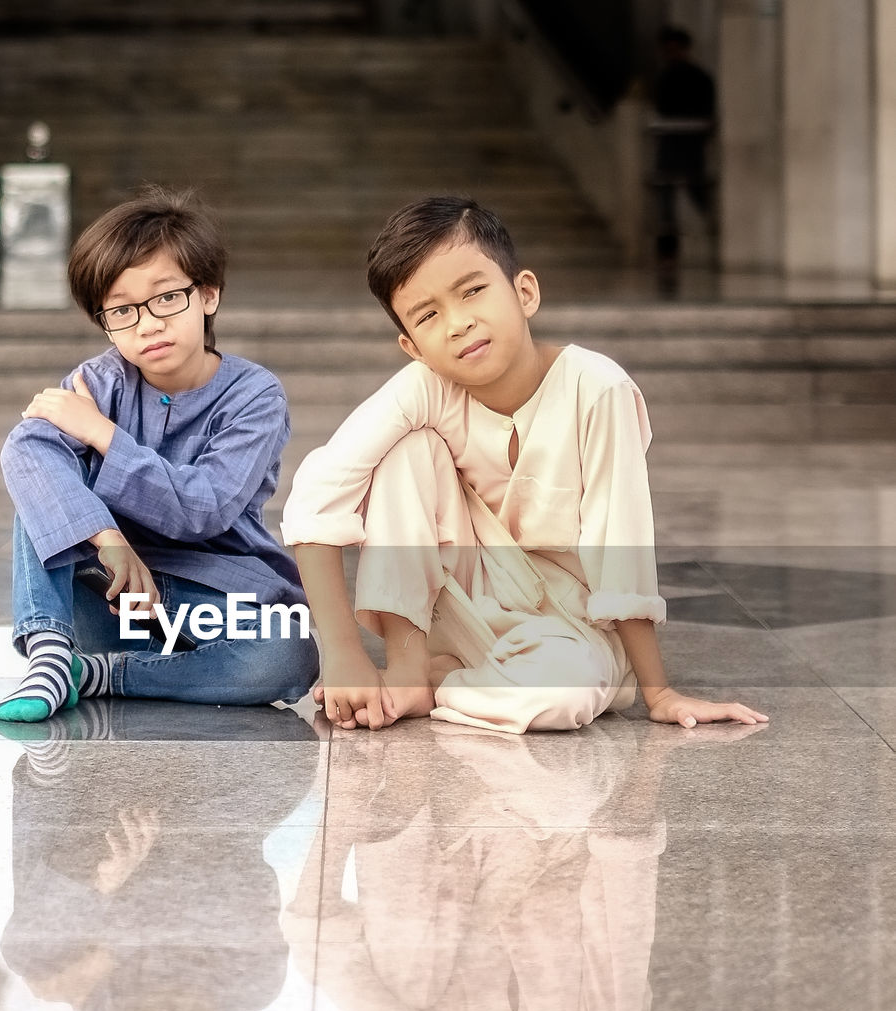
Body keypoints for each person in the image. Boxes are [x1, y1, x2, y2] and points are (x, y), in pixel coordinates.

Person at [280, 195, 769, 733]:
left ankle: (436, 686)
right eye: (429, 315)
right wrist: (343, 654)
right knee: (405, 451)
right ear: (412, 345)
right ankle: (408, 667)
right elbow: (316, 495)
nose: (460, 323)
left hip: (571, 630)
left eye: (472, 291)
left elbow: (619, 543)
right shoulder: (425, 388)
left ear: (524, 292)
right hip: (460, 608)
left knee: (560, 699)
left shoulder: (596, 388)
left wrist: (660, 693)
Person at [0, 186, 318, 723]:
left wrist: (104, 435)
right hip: (111, 594)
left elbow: (203, 509)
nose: (147, 324)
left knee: (287, 657)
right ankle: (50, 652)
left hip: (213, 594)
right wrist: (109, 540)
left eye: (166, 298)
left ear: (208, 295)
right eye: (121, 310)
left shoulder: (255, 396)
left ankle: (99, 673)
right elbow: (27, 449)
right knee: (41, 476)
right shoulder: (98, 380)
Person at [651, 25, 716, 266]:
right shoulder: (665, 77)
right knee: (665, 201)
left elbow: (706, 112)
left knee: (698, 192)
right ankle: (667, 253)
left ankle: (712, 241)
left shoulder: (698, 78)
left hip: (690, 144)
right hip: (670, 142)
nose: (672, 54)